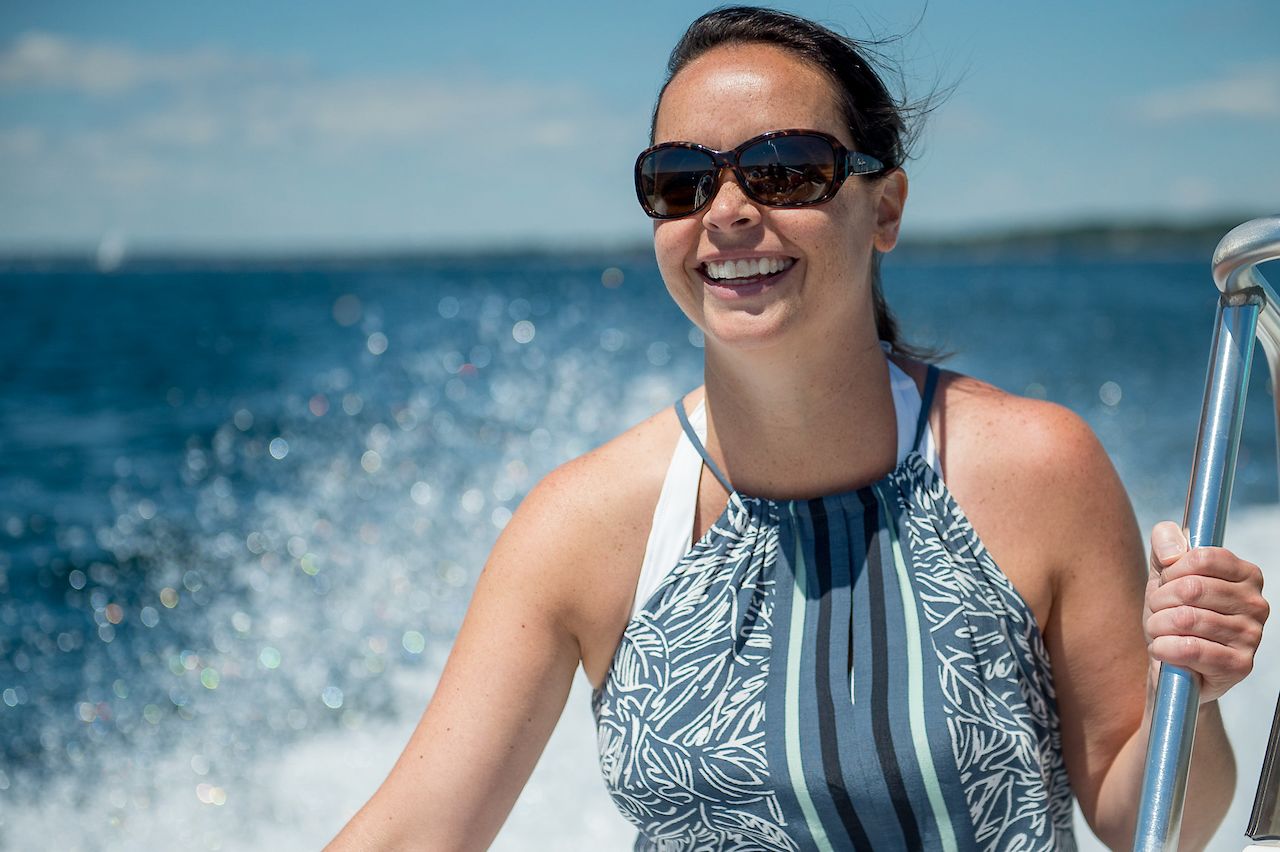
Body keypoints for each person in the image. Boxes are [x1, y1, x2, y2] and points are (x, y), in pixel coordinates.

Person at [327, 7, 1268, 850]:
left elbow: (1155, 823)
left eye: (785, 172)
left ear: (884, 208)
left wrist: (1189, 686)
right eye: (680, 180)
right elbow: (421, 828)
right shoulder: (583, 526)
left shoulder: (1035, 467)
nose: (729, 212)